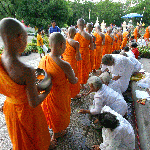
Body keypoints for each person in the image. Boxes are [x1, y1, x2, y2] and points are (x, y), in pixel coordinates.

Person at [0, 18, 56, 149]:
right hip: (27, 112)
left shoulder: (1, 60)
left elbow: (10, 86)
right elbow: (34, 102)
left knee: (20, 139)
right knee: (36, 135)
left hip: (11, 108)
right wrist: (47, 91)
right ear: (20, 37)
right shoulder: (26, 70)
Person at [38, 32, 78, 140]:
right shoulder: (65, 65)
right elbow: (73, 81)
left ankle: (53, 130)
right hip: (60, 95)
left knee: (51, 113)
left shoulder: (43, 59)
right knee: (60, 114)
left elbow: (40, 78)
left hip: (47, 93)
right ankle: (57, 133)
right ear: (61, 45)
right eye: (65, 45)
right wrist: (77, 78)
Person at [62, 27, 82, 99]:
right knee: (73, 78)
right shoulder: (76, 43)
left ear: (68, 32)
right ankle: (73, 95)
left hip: (64, 62)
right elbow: (78, 57)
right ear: (75, 34)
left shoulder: (63, 41)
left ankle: (66, 94)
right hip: (72, 62)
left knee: (66, 78)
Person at [74, 18, 94, 89]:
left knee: (78, 68)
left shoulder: (75, 35)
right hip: (85, 53)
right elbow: (92, 48)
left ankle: (78, 82)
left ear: (77, 25)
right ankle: (82, 84)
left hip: (77, 53)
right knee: (84, 68)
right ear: (85, 25)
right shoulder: (89, 36)